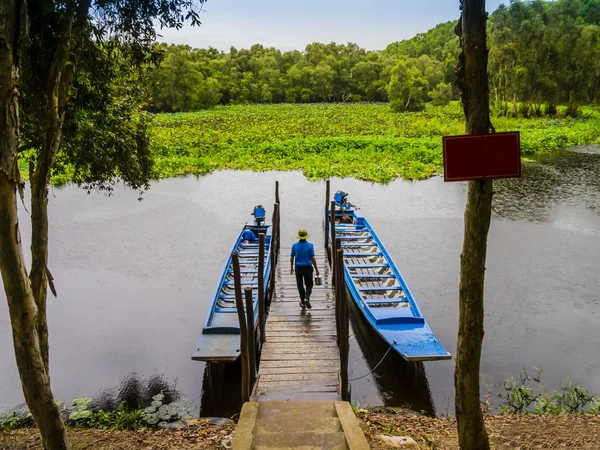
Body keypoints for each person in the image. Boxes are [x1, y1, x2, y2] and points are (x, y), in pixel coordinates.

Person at [290, 228, 320, 309]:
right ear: (306, 237)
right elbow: (313, 258)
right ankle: (306, 297)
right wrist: (317, 269)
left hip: (298, 268)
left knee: (300, 285)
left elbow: (292, 257)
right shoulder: (310, 245)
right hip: (307, 267)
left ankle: (303, 302)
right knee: (309, 284)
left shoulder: (294, 246)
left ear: (299, 237)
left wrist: (291, 268)